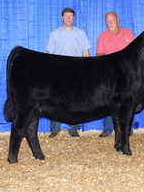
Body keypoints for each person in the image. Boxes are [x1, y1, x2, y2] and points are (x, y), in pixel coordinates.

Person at [46, 8, 92, 138]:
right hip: (58, 73)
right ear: (62, 18)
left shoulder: (81, 33)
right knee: (55, 100)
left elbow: (86, 53)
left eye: (71, 16)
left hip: (76, 73)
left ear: (74, 18)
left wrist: (87, 71)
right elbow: (50, 54)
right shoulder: (54, 34)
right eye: (66, 16)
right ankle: (54, 128)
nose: (68, 18)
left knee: (75, 101)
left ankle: (73, 129)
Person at [96, 11, 136, 137]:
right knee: (108, 100)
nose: (110, 23)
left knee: (128, 100)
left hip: (127, 73)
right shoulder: (102, 36)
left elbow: (135, 52)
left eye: (112, 20)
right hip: (110, 74)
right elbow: (99, 54)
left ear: (118, 20)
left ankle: (128, 128)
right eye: (108, 21)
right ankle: (107, 129)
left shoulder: (128, 33)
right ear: (105, 22)